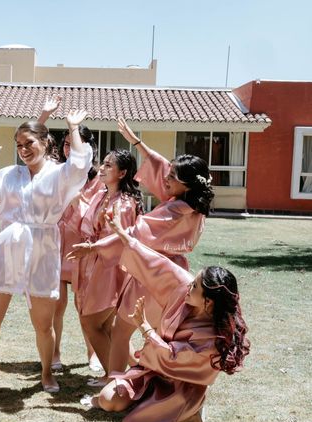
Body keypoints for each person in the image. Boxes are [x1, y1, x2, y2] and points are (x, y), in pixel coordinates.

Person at [84, 209, 249, 422]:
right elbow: (156, 265)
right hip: (153, 372)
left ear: (208, 302)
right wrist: (122, 234)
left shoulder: (214, 337)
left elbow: (174, 356)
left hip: (179, 389)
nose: (188, 285)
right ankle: (144, 404)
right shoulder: (185, 289)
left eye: (195, 286)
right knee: (107, 400)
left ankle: (191, 413)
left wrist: (145, 328)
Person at [68, 117, 215, 373]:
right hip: (176, 273)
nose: (166, 179)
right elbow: (163, 168)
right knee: (161, 332)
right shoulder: (193, 207)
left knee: (122, 330)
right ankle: (144, 379)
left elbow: (134, 233)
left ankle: (115, 382)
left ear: (187, 184)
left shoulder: (172, 210)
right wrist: (138, 143)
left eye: (172, 177)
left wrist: (93, 247)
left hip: (152, 270)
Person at [0, 110, 93, 395]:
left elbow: (79, 165)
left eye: (29, 144)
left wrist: (73, 127)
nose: (23, 150)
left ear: (46, 143)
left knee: (43, 324)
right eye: (18, 145)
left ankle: (47, 371)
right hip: (8, 246)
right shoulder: (11, 174)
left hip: (43, 247)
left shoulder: (59, 174)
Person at [38, 95, 103, 372]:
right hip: (55, 244)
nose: (67, 148)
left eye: (73, 142)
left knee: (84, 305)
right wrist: (42, 116)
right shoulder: (56, 171)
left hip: (83, 248)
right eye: (64, 143)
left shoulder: (100, 179)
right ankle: (54, 354)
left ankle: (94, 353)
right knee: (56, 304)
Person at [72, 150, 143, 386]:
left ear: (122, 173)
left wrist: (93, 248)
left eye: (108, 165)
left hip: (111, 266)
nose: (101, 168)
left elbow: (122, 237)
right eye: (102, 163)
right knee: (107, 326)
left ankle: (111, 376)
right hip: (94, 262)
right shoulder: (101, 195)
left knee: (92, 323)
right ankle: (135, 371)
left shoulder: (124, 203)